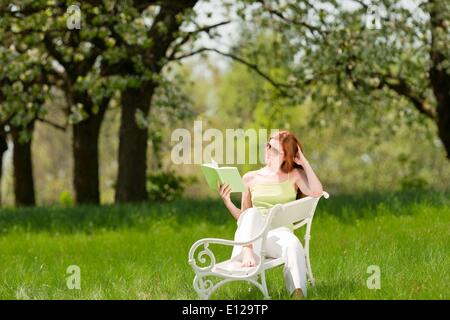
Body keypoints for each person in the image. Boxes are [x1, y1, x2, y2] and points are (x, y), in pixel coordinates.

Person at [218, 130, 323, 299]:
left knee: (294, 244)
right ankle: (247, 251)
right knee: (252, 213)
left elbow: (317, 192)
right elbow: (244, 218)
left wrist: (303, 161)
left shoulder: (294, 175)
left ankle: (298, 293)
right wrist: (228, 202)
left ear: (286, 155)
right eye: (268, 145)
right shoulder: (250, 178)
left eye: (274, 150)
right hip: (253, 240)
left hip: (279, 236)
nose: (267, 151)